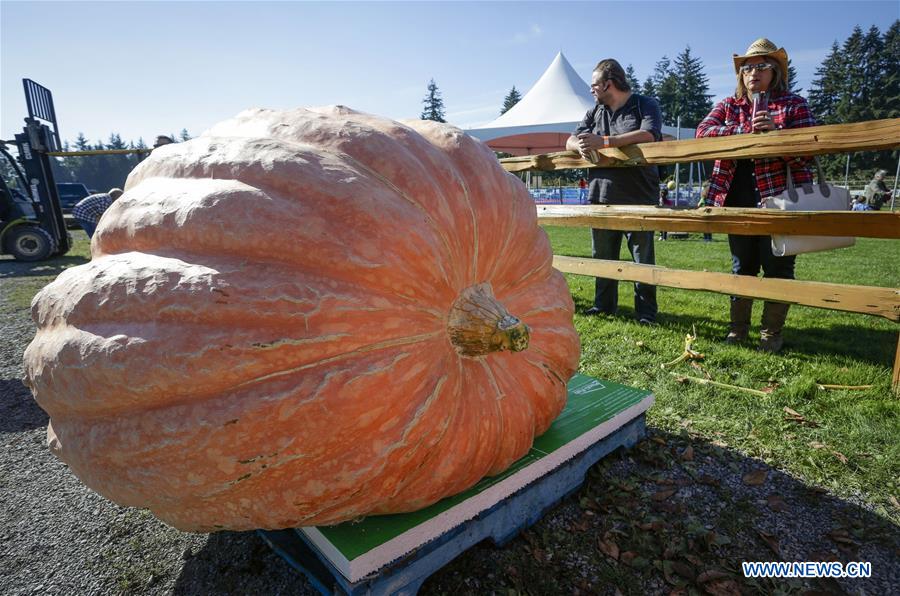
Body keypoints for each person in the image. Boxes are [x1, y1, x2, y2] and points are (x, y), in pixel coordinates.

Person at [696, 38, 817, 352]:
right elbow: (702, 133)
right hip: (736, 199)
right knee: (742, 265)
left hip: (781, 199)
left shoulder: (794, 105)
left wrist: (775, 137)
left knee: (778, 266)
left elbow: (807, 154)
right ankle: (738, 330)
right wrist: (743, 132)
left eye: (761, 66)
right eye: (747, 67)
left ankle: (770, 332)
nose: (753, 72)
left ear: (775, 71)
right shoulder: (728, 106)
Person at [566, 58, 663, 325]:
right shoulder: (594, 112)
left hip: (639, 197)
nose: (591, 90)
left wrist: (605, 142)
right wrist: (581, 146)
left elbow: (650, 134)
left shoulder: (645, 104)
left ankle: (646, 314)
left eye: (594, 85)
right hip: (601, 196)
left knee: (642, 260)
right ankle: (603, 305)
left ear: (609, 84)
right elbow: (569, 139)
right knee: (602, 257)